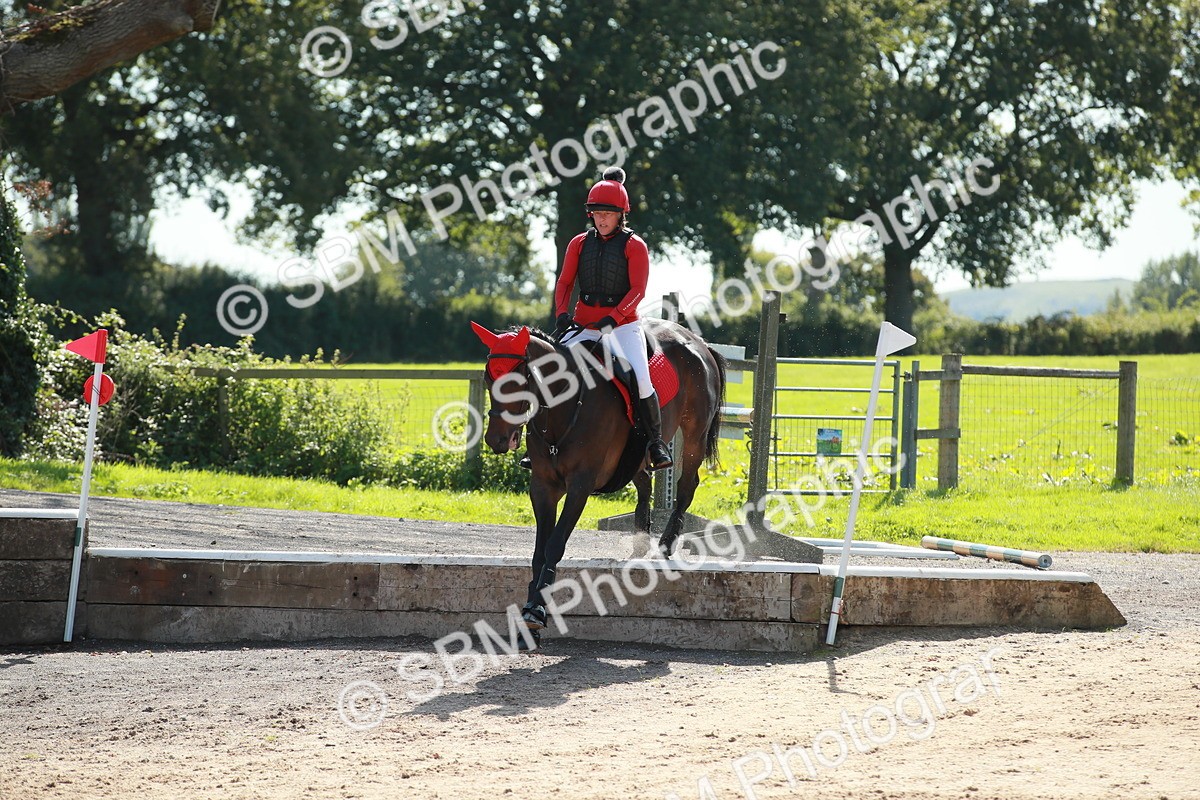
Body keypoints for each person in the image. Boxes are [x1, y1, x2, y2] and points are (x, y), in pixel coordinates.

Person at [540, 166, 673, 471]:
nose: (601, 219)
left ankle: (656, 444)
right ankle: (543, 442)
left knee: (641, 378)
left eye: (608, 214)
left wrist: (614, 317)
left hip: (623, 327)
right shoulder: (578, 243)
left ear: (620, 215)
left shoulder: (635, 245)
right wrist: (561, 314)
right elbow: (565, 282)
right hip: (584, 326)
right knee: (550, 373)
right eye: (597, 213)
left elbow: (638, 290)